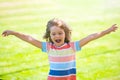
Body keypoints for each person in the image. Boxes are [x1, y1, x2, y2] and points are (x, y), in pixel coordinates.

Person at [2, 18, 118, 80]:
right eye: (53, 34)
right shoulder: (48, 47)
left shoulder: (72, 47)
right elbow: (29, 39)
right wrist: (13, 32)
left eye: (60, 33)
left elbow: (91, 37)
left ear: (65, 34)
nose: (57, 36)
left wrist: (107, 31)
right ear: (49, 36)